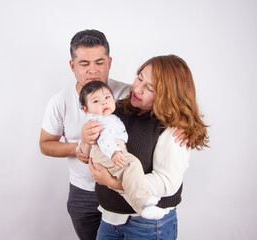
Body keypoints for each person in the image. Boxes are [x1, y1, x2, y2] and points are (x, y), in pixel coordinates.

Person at [85, 54, 209, 239]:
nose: (138, 88)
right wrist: (85, 136)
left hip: (147, 226)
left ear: (167, 95)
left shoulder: (173, 130)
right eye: (139, 77)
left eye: (149, 88)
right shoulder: (117, 109)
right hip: (110, 220)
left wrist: (112, 183)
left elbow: (167, 183)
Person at [39, 29, 131, 240]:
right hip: (83, 193)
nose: (93, 70)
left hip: (121, 188)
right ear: (73, 66)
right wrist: (77, 147)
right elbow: (45, 144)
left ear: (109, 62)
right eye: (84, 64)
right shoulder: (60, 100)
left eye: (99, 63)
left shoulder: (128, 94)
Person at [78, 80, 164, 218]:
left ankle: (143, 210)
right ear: (85, 109)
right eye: (96, 101)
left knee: (126, 178)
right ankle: (144, 198)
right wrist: (114, 152)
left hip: (110, 149)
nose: (104, 102)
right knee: (132, 165)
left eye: (107, 97)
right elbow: (104, 139)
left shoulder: (105, 116)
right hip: (107, 150)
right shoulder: (98, 121)